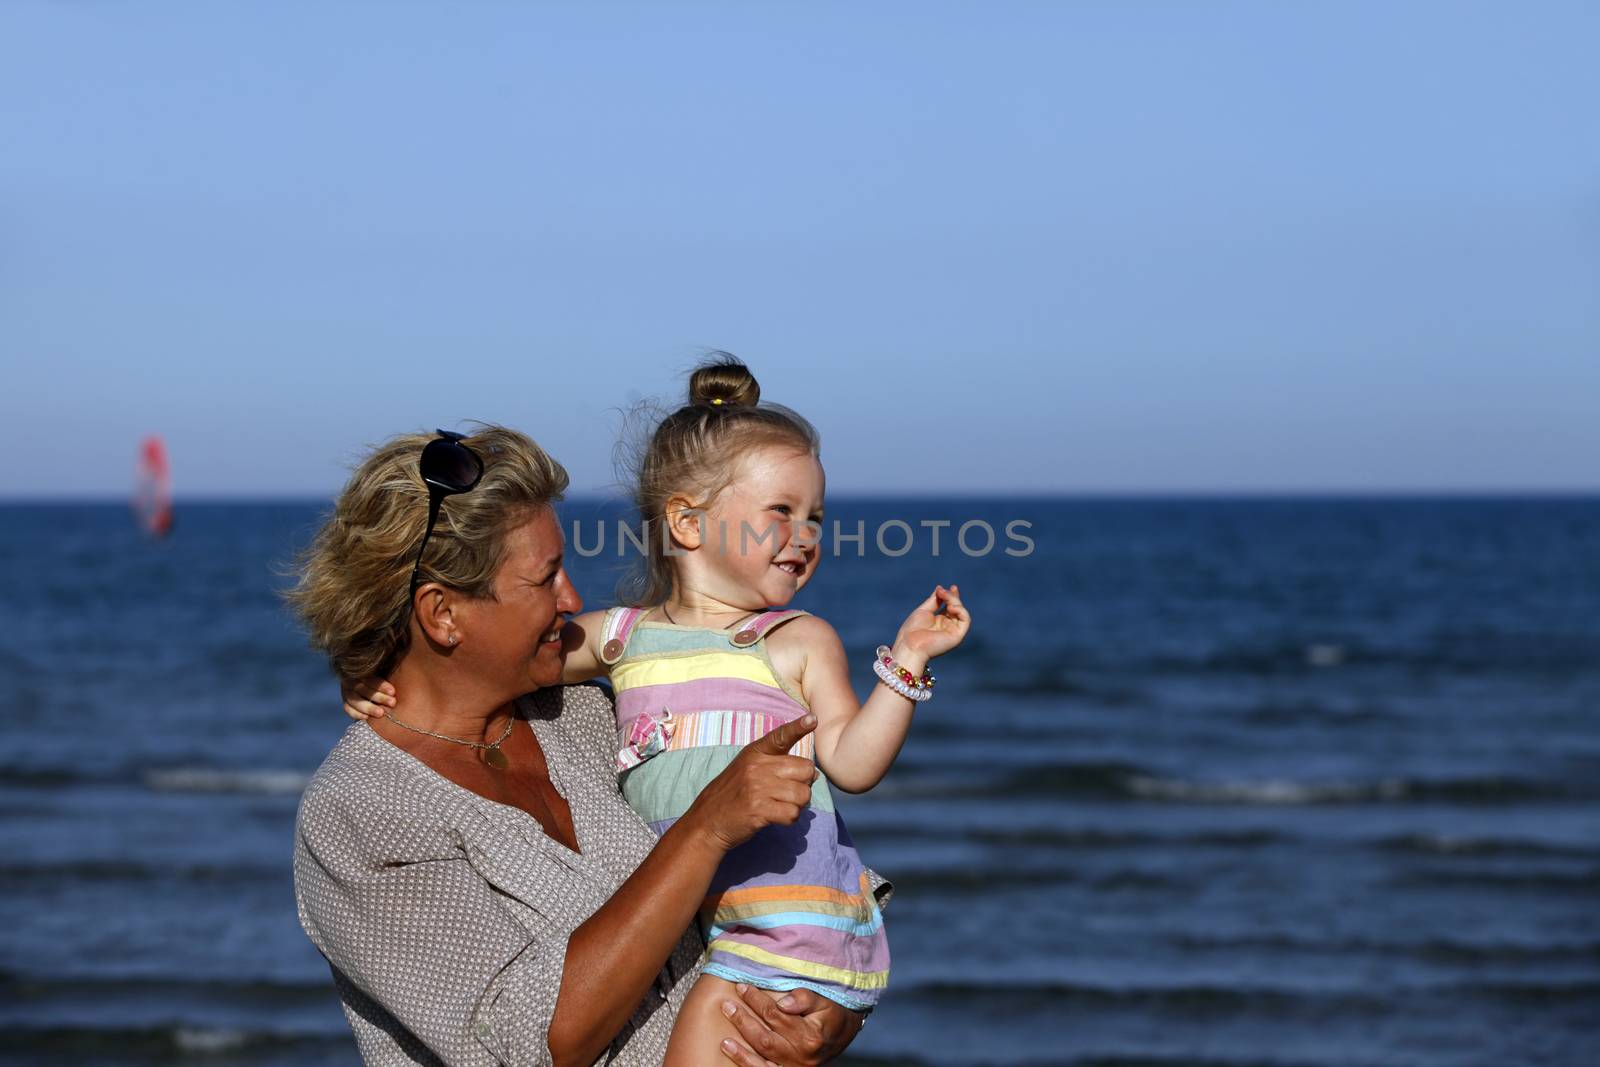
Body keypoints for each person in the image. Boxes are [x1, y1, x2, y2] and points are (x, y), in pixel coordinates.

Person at [344, 358, 972, 1064]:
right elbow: (499, 649)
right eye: (781, 512)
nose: (806, 535)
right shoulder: (624, 644)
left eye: (816, 518)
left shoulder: (783, 643)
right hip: (729, 936)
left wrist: (908, 662)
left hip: (784, 925)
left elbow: (854, 762)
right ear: (685, 521)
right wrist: (375, 669)